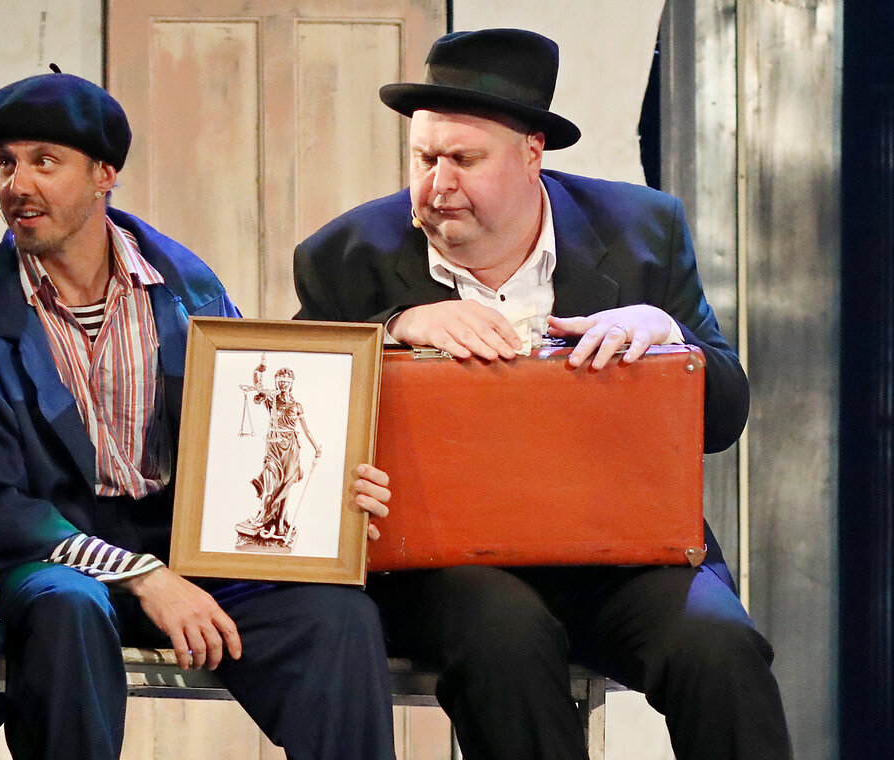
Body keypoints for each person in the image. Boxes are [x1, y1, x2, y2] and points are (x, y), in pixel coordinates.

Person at [292, 28, 791, 760]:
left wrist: (668, 333)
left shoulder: (643, 231)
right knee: (505, 641)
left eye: (464, 160)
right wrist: (393, 327)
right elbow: (296, 417)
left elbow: (723, 419)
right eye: (424, 158)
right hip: (448, 566)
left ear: (532, 154)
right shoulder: (348, 254)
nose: (437, 185)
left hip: (621, 556)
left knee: (718, 648)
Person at [0, 72, 397, 760]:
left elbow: (244, 433)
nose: (17, 184)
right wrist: (142, 575)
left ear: (104, 176)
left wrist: (329, 498)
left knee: (334, 617)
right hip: (56, 555)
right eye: (5, 163)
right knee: (66, 609)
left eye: (44, 162)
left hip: (189, 547)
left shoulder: (186, 289)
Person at [235, 366, 319, 552]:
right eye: (280, 381)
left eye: (286, 382)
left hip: (291, 448)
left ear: (291, 384)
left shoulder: (297, 406)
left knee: (285, 487)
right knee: (269, 484)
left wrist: (316, 447)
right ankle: (263, 516)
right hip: (273, 447)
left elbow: (306, 429)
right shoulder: (271, 400)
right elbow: (258, 385)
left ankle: (280, 522)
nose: (282, 384)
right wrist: (258, 370)